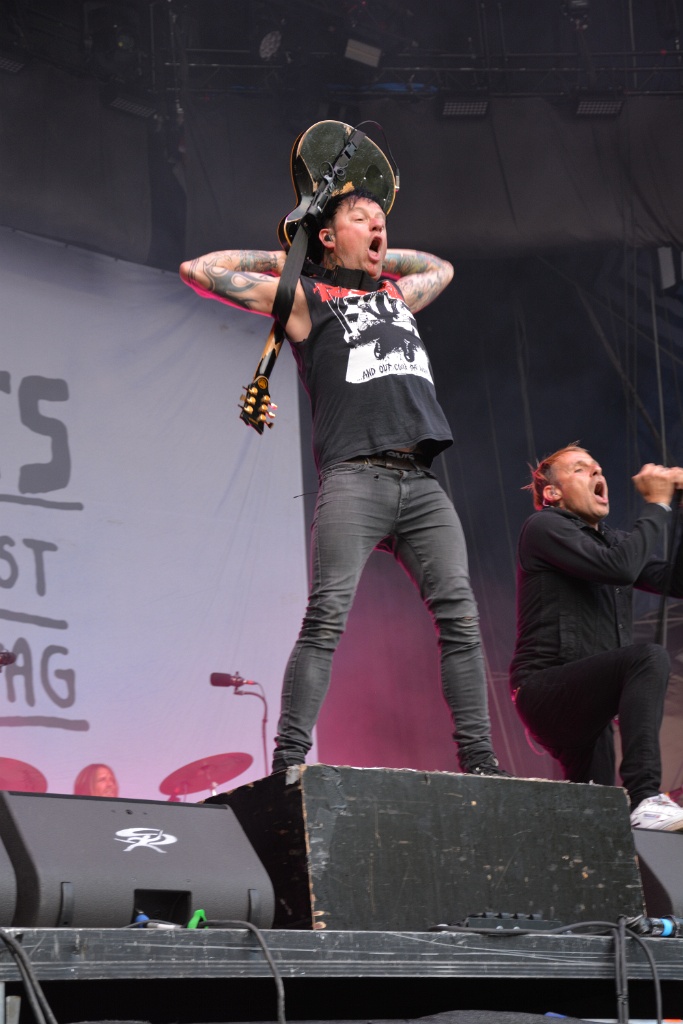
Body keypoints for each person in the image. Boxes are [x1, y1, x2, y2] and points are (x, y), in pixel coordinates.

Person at [180, 186, 508, 777]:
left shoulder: (396, 296)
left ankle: (480, 761)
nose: (379, 227)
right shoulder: (307, 299)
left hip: (420, 483)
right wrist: (291, 258)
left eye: (383, 221)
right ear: (328, 238)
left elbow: (440, 268)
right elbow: (199, 270)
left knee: (460, 617)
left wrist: (367, 243)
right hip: (354, 477)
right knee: (326, 615)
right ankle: (289, 762)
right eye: (362, 219)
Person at [510, 443, 683, 831]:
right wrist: (658, 505)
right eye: (580, 469)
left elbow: (677, 581)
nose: (596, 473)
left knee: (597, 819)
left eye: (598, 468)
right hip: (544, 690)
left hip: (590, 704)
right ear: (552, 492)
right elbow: (620, 568)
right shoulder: (544, 527)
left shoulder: (614, 542)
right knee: (648, 657)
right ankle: (646, 795)